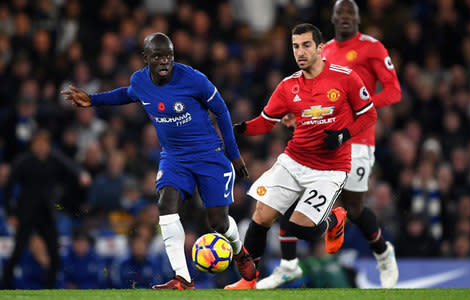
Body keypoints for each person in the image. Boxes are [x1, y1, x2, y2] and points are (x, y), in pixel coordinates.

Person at [61, 32, 256, 290]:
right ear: (146, 58)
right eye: (157, 56)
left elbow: (220, 110)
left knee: (218, 223)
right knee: (165, 204)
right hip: (174, 157)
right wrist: (93, 100)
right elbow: (127, 94)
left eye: (168, 56)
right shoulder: (140, 80)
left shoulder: (194, 79)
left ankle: (239, 251)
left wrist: (234, 154)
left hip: (209, 155)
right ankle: (182, 278)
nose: (164, 61)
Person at [258, 0, 401, 289]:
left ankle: (383, 253)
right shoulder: (324, 51)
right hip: (323, 142)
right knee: (295, 196)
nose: (346, 17)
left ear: (358, 18)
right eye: (340, 13)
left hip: (359, 140)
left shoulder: (372, 47)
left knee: (355, 208)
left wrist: (357, 107)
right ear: (333, 18)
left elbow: (394, 91)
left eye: (351, 13)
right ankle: (289, 265)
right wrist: (293, 114)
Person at [225, 23, 377, 289]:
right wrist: (240, 128)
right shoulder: (288, 86)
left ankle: (334, 218)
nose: (300, 52)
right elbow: (266, 121)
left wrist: (343, 134)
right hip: (293, 161)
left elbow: (369, 114)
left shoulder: (345, 77)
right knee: (260, 216)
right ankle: (248, 281)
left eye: (306, 45)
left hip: (330, 169)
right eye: (296, 46)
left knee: (299, 228)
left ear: (320, 48)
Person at [1, 130, 92, 289]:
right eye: (38, 144)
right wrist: (11, 213)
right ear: (33, 145)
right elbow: (9, 187)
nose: (42, 147)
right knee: (18, 251)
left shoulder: (54, 158)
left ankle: (50, 288)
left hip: (46, 213)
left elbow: (70, 165)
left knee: (54, 252)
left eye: (45, 144)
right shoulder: (24, 161)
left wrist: (81, 174)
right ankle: (4, 285)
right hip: (27, 213)